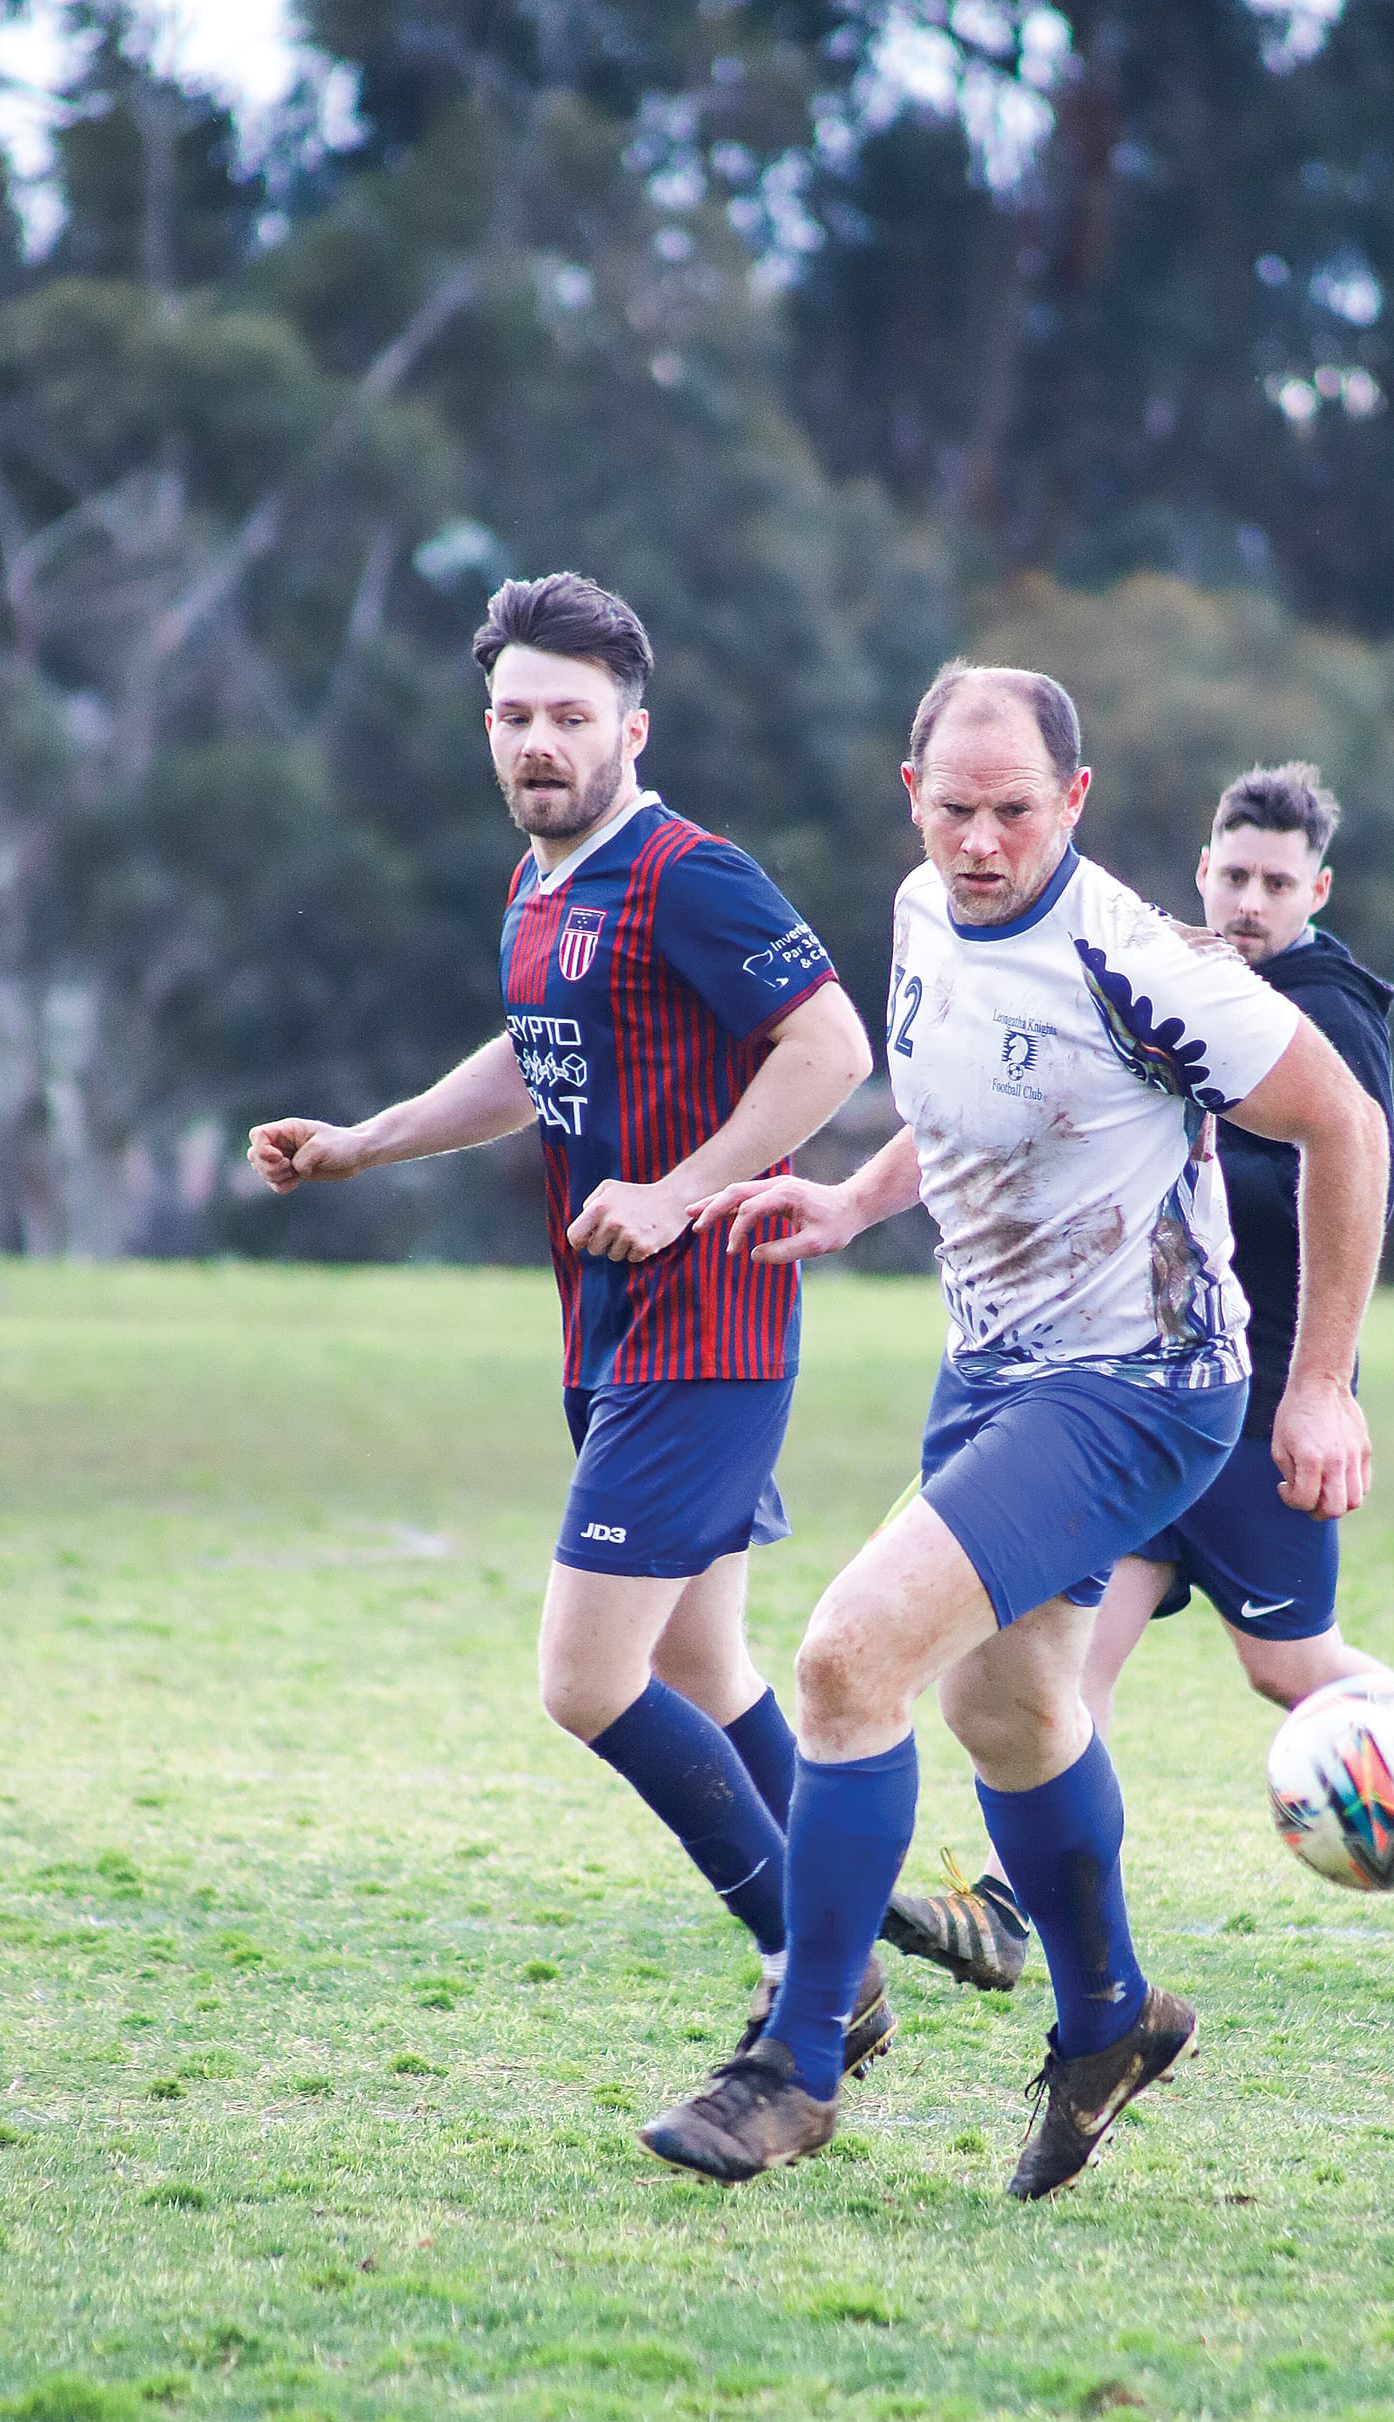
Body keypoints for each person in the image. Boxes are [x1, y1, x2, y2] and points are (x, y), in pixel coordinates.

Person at [637, 664, 1389, 2198]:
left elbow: (1345, 1126)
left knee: (849, 1658)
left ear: (1079, 803)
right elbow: (974, 1093)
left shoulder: (1149, 961)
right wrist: (854, 1197)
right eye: (957, 808)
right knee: (1017, 1719)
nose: (983, 842)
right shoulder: (923, 908)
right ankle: (1109, 2018)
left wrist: (1322, 1384)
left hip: (1141, 1381)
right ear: (909, 791)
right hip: (992, 1363)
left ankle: (798, 2062)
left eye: (1017, 813)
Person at [246, 571, 890, 2049]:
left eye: (572, 717)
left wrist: (678, 1191)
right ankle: (860, 1912)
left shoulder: (686, 871)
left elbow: (830, 1045)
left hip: (706, 1330)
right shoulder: (543, 881)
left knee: (584, 1680)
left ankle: (822, 1967)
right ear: (490, 726)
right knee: (698, 1665)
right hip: (608, 1332)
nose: (541, 741)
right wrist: (368, 1139)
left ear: (633, 729)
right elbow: (535, 1055)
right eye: (518, 716)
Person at [883, 760, 1394, 2000]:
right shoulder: (1169, 972)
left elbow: (1349, 1165)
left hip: (1253, 1401)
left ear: (1316, 890)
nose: (1249, 902)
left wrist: (1323, 1386)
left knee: (1286, 1667)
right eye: (1232, 875)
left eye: (1277, 884)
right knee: (1072, 1664)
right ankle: (1013, 1909)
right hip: (1133, 1385)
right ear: (1201, 869)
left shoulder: (1316, 1011)